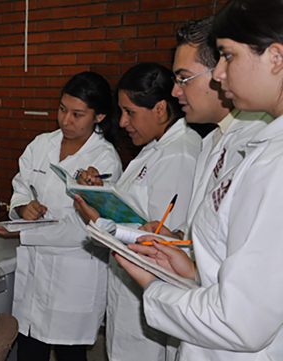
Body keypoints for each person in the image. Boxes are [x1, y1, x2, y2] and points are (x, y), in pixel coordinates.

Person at [116, 0, 283, 359]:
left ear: (275, 58)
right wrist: (187, 263)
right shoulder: (225, 143)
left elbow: (241, 320)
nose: (220, 74)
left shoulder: (272, 158)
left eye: (228, 57)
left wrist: (154, 287)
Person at [73, 63, 201, 361]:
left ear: (159, 109)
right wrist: (103, 195)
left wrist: (98, 221)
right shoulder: (153, 149)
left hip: (151, 296)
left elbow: (161, 240)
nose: (122, 122)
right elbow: (137, 211)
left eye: (130, 112)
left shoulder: (180, 154)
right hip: (131, 292)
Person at [0, 71, 123, 361]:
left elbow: (83, 228)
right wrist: (22, 208)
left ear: (99, 117)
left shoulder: (104, 160)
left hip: (74, 274)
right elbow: (21, 185)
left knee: (69, 354)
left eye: (78, 114)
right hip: (35, 274)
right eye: (62, 109)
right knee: (28, 349)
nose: (66, 120)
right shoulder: (42, 144)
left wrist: (21, 232)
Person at [139, 17, 267, 239]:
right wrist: (178, 241)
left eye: (184, 79)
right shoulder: (212, 140)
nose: (175, 92)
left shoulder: (257, 142)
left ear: (222, 71)